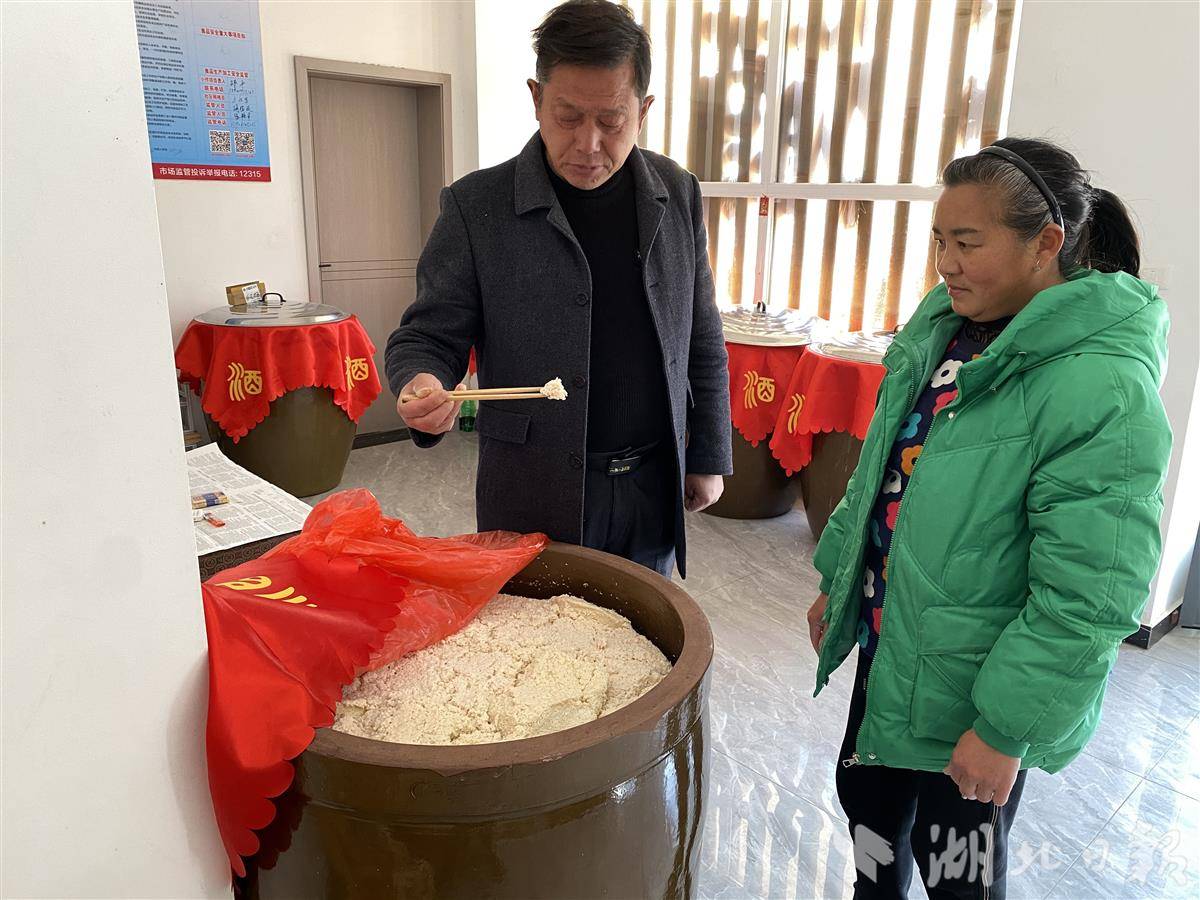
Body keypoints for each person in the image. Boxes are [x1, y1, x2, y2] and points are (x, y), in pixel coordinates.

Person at [806, 137, 1171, 898]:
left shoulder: (1098, 385)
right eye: (940, 240)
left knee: (957, 868)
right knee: (871, 819)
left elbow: (1091, 591)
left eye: (967, 243)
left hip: (976, 692)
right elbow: (882, 469)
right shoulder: (943, 327)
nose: (946, 263)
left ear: (1046, 244)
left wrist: (1006, 729)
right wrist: (838, 582)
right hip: (894, 648)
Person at [385, 0, 731, 578]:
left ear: (643, 110)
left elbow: (702, 336)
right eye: (567, 117)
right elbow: (427, 336)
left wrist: (709, 454)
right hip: (533, 489)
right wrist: (421, 382)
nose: (588, 144)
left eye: (611, 121)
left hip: (651, 486)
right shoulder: (477, 206)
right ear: (536, 99)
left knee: (646, 627)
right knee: (539, 629)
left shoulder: (676, 192)